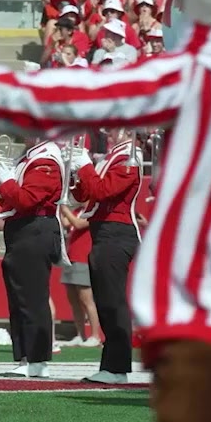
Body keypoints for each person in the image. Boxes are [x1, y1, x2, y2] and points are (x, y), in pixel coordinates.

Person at [74, 128, 143, 384]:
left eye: (114, 127)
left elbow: (103, 191)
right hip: (104, 232)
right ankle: (111, 366)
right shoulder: (113, 156)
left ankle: (117, 368)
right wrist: (77, 172)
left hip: (116, 232)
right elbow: (84, 194)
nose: (108, 132)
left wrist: (85, 166)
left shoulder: (130, 156)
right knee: (105, 301)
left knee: (113, 301)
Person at [0, 139, 65, 376]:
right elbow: (10, 199)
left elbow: (26, 200)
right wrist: (4, 183)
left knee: (32, 298)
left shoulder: (46, 159)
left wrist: (6, 180)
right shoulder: (32, 157)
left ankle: (37, 360)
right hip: (23, 229)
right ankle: (27, 358)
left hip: (34, 228)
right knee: (19, 298)